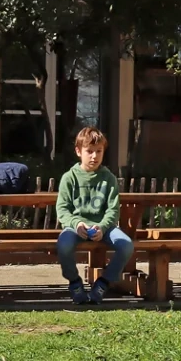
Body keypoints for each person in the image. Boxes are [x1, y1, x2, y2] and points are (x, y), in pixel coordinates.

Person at [54, 127, 133, 303]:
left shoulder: (109, 178)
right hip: (76, 228)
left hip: (103, 227)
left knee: (126, 245)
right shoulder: (69, 178)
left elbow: (113, 210)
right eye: (89, 151)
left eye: (99, 151)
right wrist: (76, 223)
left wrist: (102, 227)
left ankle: (103, 283)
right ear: (78, 151)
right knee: (64, 244)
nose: (94, 156)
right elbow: (62, 209)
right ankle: (75, 282)